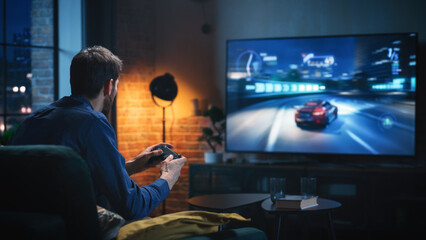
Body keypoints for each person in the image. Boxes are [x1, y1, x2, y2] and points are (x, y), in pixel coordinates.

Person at [11, 46, 187, 221]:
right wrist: (168, 177)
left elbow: (65, 180)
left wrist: (133, 165)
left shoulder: (33, 120)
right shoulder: (93, 122)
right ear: (109, 86)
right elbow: (133, 205)